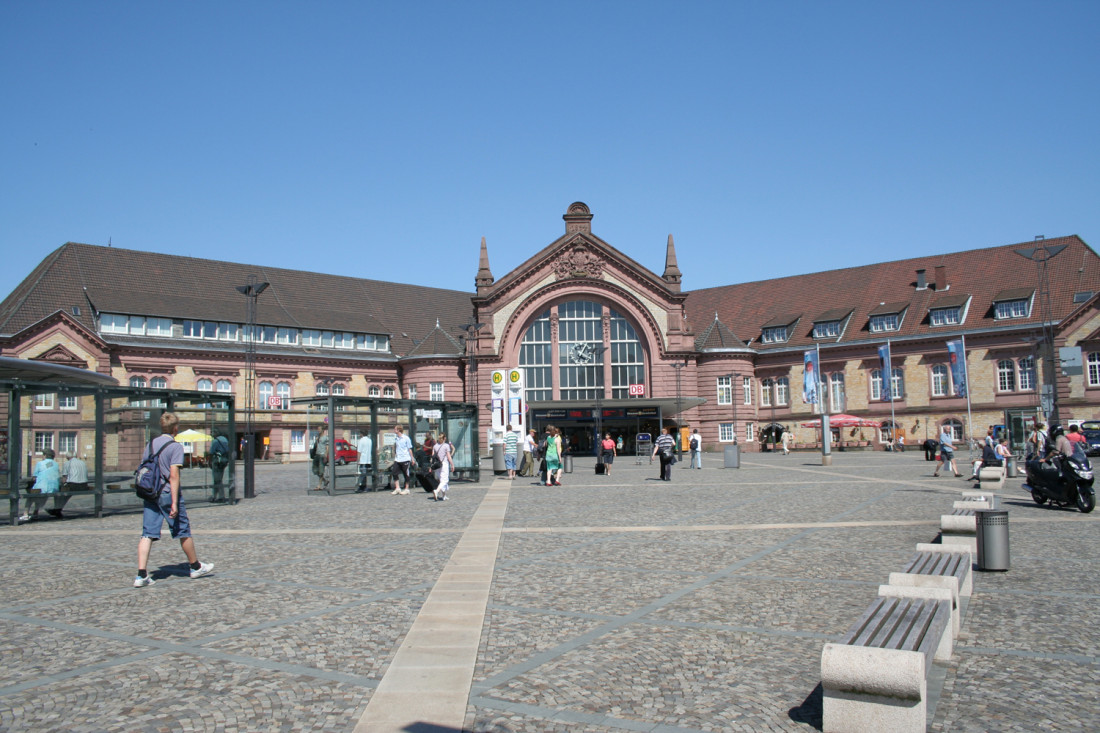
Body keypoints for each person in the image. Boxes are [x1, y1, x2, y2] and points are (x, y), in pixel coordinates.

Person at [134, 412, 214, 587]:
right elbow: (174, 476)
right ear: (176, 428)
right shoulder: (175, 446)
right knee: (182, 530)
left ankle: (141, 575)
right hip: (167, 493)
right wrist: (174, 502)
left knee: (147, 533)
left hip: (150, 492)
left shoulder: (151, 444)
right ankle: (195, 566)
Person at [19, 448, 62, 523]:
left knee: (30, 497)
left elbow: (34, 477)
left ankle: (26, 514)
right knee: (42, 496)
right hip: (54, 488)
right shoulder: (55, 464)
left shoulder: (40, 464)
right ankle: (36, 512)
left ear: (45, 455)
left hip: (42, 487)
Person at [49, 452, 87, 518]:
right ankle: (57, 510)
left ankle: (57, 509)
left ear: (67, 457)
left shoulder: (67, 463)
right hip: (84, 485)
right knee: (65, 493)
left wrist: (61, 482)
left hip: (73, 485)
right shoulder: (82, 462)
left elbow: (64, 478)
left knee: (59, 492)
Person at [207, 429, 231, 502]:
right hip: (224, 461)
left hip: (217, 461)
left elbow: (211, 452)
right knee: (218, 478)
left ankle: (220, 496)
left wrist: (209, 462)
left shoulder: (215, 441)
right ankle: (214, 496)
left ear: (215, 433)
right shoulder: (225, 439)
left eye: (212, 432)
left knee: (217, 479)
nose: (211, 434)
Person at [391, 424, 414, 495]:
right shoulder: (396, 438)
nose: (394, 430)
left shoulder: (406, 438)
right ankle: (397, 488)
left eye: (395, 429)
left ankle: (407, 489)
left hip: (405, 458)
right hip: (398, 459)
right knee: (394, 472)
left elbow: (409, 449)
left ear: (398, 430)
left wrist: (412, 459)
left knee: (406, 474)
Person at [431, 433, 454, 501]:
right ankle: (436, 491)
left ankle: (444, 495)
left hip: (437, 465)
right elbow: (449, 456)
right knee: (445, 480)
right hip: (444, 464)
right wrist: (452, 464)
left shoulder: (435, 446)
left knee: (441, 480)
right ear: (444, 438)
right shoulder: (446, 446)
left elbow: (433, 456)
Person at [311, 423, 330, 491]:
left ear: (323, 430)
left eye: (319, 429)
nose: (318, 430)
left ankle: (319, 485)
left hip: (322, 455)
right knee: (315, 470)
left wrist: (326, 455)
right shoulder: (318, 437)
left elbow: (327, 447)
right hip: (317, 455)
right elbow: (316, 446)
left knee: (321, 471)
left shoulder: (326, 438)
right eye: (318, 429)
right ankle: (325, 481)